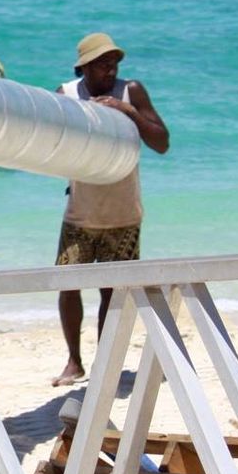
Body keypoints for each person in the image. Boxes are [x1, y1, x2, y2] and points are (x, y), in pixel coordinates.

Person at [52, 31, 169, 386]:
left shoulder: (131, 91)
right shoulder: (66, 95)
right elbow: (52, 143)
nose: (111, 68)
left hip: (124, 213)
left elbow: (161, 142)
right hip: (81, 212)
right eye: (103, 63)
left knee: (113, 291)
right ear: (84, 67)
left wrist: (127, 111)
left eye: (115, 62)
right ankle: (74, 361)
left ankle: (106, 361)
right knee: (68, 285)